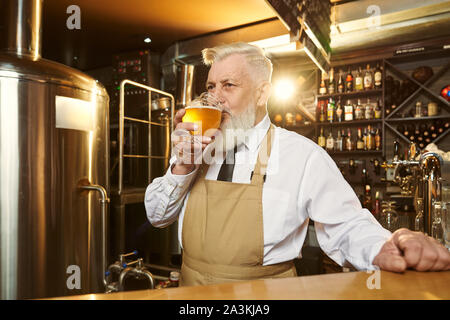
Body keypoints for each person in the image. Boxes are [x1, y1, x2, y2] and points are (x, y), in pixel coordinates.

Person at [145, 42, 450, 286]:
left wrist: (383, 247)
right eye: (211, 87)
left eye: (228, 85)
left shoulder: (302, 155)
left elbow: (347, 226)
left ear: (263, 91)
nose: (215, 98)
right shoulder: (195, 147)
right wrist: (182, 168)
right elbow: (157, 216)